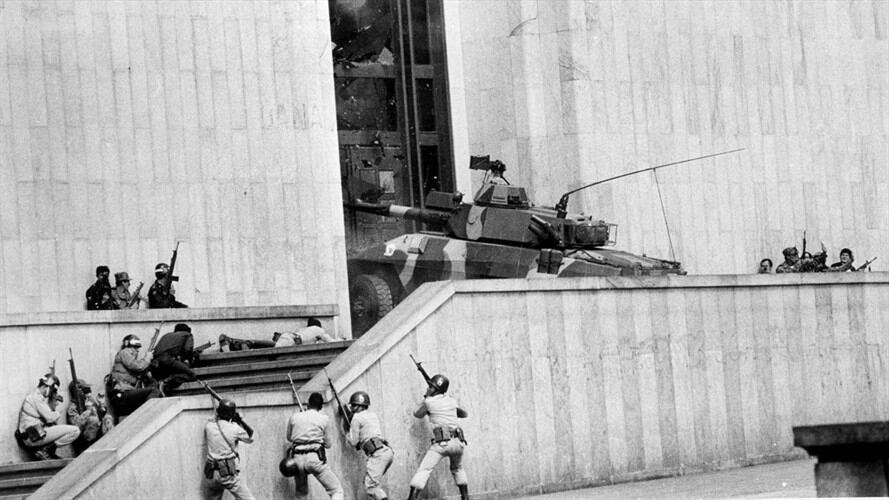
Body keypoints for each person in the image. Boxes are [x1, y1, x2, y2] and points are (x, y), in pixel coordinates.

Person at [407, 374, 469, 500]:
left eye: (430, 386)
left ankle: (411, 499)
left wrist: (426, 399)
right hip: (458, 442)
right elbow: (464, 414)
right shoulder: (451, 401)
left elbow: (417, 414)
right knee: (458, 469)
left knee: (424, 470)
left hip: (442, 444)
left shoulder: (429, 401)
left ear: (435, 390)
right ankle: (465, 497)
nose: (427, 388)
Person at [284, 392, 343, 500]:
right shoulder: (324, 419)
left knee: (302, 494)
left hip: (297, 460)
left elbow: (289, 437)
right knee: (336, 490)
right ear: (320, 407)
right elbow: (328, 444)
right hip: (314, 458)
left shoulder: (294, 417)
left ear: (308, 403)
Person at [15, 374, 81, 460]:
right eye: (52, 390)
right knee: (75, 430)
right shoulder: (36, 397)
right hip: (33, 437)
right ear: (46, 387)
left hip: (33, 435)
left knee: (54, 426)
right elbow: (50, 418)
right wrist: (57, 412)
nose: (51, 393)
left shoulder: (36, 396)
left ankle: (45, 450)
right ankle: (46, 450)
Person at [346, 391, 394, 500]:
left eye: (353, 405)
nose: (352, 407)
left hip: (377, 454)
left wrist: (347, 434)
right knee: (373, 484)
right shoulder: (372, 415)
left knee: (371, 487)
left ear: (359, 406)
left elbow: (354, 442)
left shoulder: (356, 418)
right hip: (386, 451)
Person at [204, 399, 255, 500]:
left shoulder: (209, 426)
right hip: (227, 473)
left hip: (211, 473)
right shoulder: (234, 428)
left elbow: (213, 418)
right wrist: (239, 420)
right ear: (231, 415)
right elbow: (250, 438)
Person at [110, 334, 161, 417]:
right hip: (122, 393)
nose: (137, 351)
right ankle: (149, 416)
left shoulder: (130, 358)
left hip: (127, 393)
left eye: (138, 348)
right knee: (153, 391)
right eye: (134, 348)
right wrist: (147, 358)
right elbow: (138, 366)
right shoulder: (124, 352)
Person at [66, 379, 114, 454]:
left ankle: (109, 443)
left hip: (96, 431)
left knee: (108, 418)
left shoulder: (89, 400)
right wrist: (88, 412)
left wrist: (101, 405)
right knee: (93, 419)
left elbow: (101, 415)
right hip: (84, 438)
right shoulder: (72, 408)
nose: (86, 393)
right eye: (84, 390)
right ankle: (90, 448)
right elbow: (76, 425)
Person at [151, 323, 198, 391]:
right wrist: (189, 359)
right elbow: (188, 350)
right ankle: (166, 382)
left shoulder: (166, 335)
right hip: (167, 361)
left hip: (156, 364)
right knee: (191, 375)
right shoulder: (188, 335)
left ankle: (163, 382)